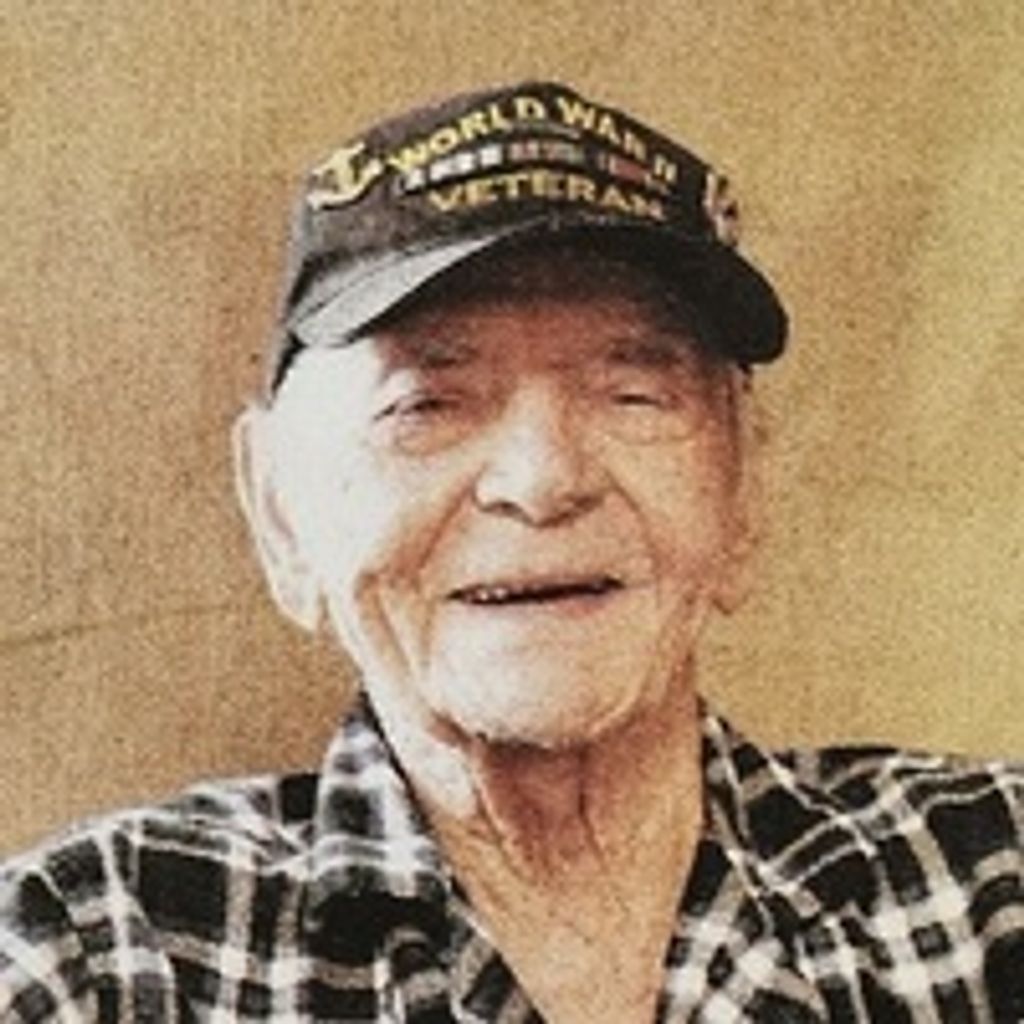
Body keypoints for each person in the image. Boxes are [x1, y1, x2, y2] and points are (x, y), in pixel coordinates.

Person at [1, 80, 1021, 1023]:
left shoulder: (990, 887)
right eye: (427, 405)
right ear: (280, 513)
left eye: (634, 395)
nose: (542, 480)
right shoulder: (97, 954)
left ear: (744, 485)